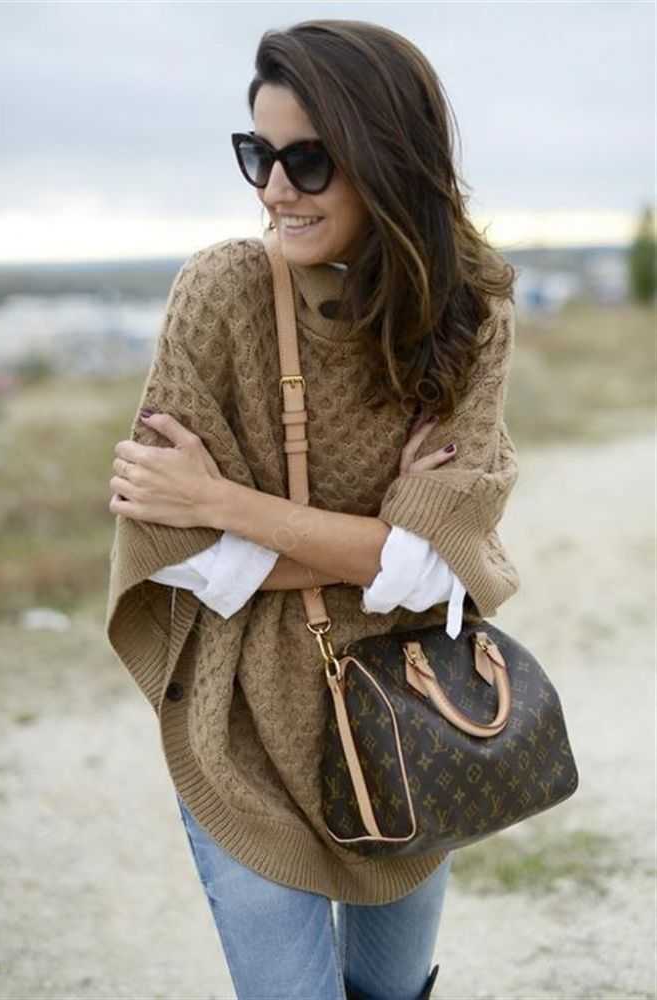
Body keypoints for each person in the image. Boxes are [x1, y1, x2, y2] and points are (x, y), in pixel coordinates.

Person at [105, 18, 520, 1000]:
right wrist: (380, 543)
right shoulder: (221, 292)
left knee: (392, 988)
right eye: (259, 154)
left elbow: (436, 568)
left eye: (308, 160)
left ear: (387, 157)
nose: (274, 189)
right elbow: (170, 547)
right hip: (239, 725)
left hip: (412, 714)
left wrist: (220, 501)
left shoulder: (471, 312)